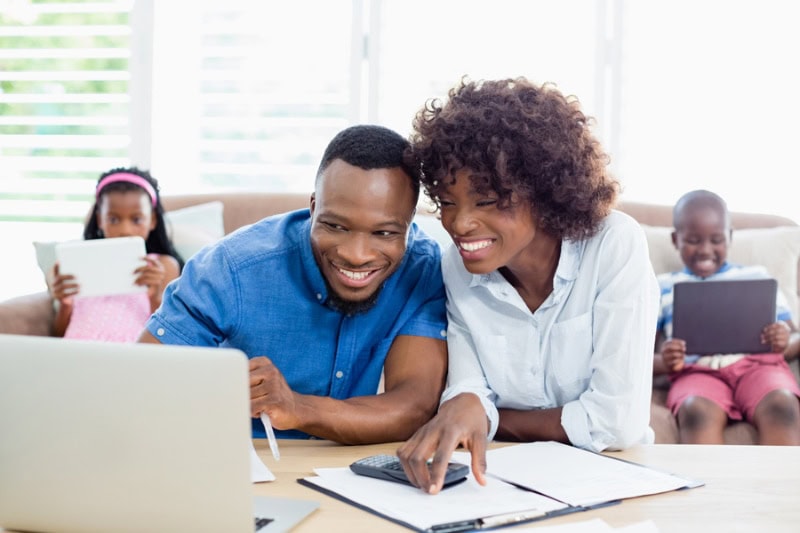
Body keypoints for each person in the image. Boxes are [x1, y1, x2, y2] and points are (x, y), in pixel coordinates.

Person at [396, 76, 659, 494]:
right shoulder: (458, 266)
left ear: (544, 189)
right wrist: (469, 404)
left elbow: (617, 423)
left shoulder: (613, 244)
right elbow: (468, 389)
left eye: (485, 201)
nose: (459, 224)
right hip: (498, 478)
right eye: (447, 202)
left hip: (614, 476)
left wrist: (492, 417)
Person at [138, 124, 448, 444]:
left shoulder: (422, 270)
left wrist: (297, 407)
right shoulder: (232, 268)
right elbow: (139, 380)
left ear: (410, 224)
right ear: (313, 208)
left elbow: (413, 407)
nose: (356, 256)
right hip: (238, 458)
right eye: (335, 225)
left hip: (345, 472)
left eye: (384, 233)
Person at [653, 189, 800, 445]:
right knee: (695, 410)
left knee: (782, 404)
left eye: (716, 239)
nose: (705, 250)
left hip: (759, 367)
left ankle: (779, 485)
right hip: (696, 372)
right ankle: (711, 485)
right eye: (694, 240)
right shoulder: (662, 286)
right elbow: (641, 355)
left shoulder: (758, 277)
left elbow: (794, 335)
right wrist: (667, 361)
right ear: (676, 239)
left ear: (730, 238)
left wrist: (783, 339)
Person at [49, 167, 183, 342]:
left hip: (131, 357)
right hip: (77, 352)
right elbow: (59, 335)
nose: (125, 230)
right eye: (113, 219)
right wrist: (65, 305)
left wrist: (155, 296)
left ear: (153, 220)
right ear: (99, 220)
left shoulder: (163, 266)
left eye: (136, 219)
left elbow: (167, 334)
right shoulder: (79, 263)